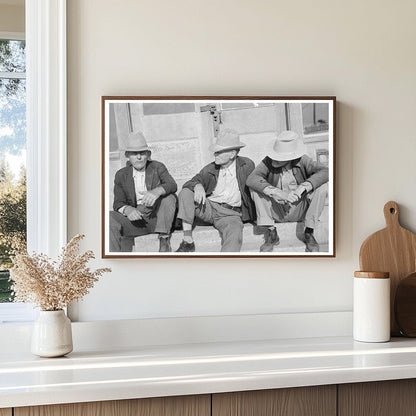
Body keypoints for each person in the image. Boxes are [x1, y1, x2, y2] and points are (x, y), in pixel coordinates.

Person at [246, 130, 328, 252]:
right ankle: (271, 233)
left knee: (321, 188)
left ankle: (309, 232)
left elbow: (326, 171)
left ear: (291, 157)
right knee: (255, 190)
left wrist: (304, 187)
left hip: (298, 209)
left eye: (279, 157)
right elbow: (252, 179)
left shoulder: (303, 160)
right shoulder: (268, 162)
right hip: (277, 210)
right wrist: (276, 192)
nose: (274, 159)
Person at [175, 129, 255, 252]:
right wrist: (197, 186)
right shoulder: (210, 168)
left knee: (235, 234)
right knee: (186, 192)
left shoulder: (246, 165)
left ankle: (224, 267)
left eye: (219, 152)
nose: (215, 155)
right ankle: (187, 239)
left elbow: (258, 182)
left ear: (232, 154)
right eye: (215, 152)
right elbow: (191, 182)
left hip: (230, 214)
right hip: (209, 208)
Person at [110, 131, 177, 252]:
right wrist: (128, 209)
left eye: (142, 153)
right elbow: (118, 203)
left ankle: (164, 241)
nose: (139, 157)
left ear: (148, 154)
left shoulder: (157, 167)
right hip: (136, 220)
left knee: (169, 197)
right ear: (128, 156)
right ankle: (113, 260)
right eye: (134, 154)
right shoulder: (121, 175)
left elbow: (171, 185)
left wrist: (156, 191)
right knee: (108, 217)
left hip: (158, 219)